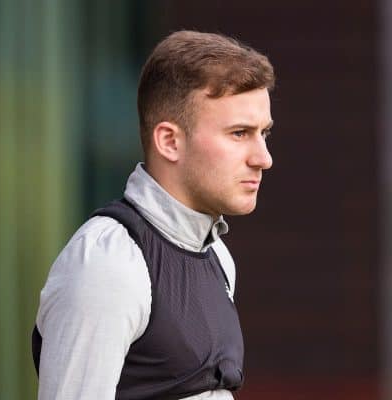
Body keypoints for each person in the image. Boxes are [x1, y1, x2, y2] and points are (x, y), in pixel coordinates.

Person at [32, 30, 275, 400]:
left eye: (264, 134)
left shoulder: (217, 257)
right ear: (169, 141)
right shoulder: (107, 262)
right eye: (240, 133)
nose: (263, 158)